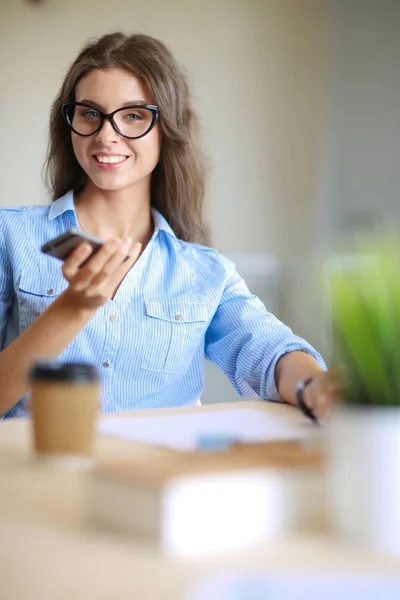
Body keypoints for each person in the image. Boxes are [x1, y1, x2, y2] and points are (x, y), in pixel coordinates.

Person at [0, 32, 334, 419]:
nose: (107, 134)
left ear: (167, 131)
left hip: (156, 475)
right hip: (34, 474)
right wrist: (72, 309)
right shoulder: (11, 237)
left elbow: (266, 350)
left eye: (134, 115)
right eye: (90, 113)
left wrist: (314, 386)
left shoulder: (206, 272)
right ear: (70, 121)